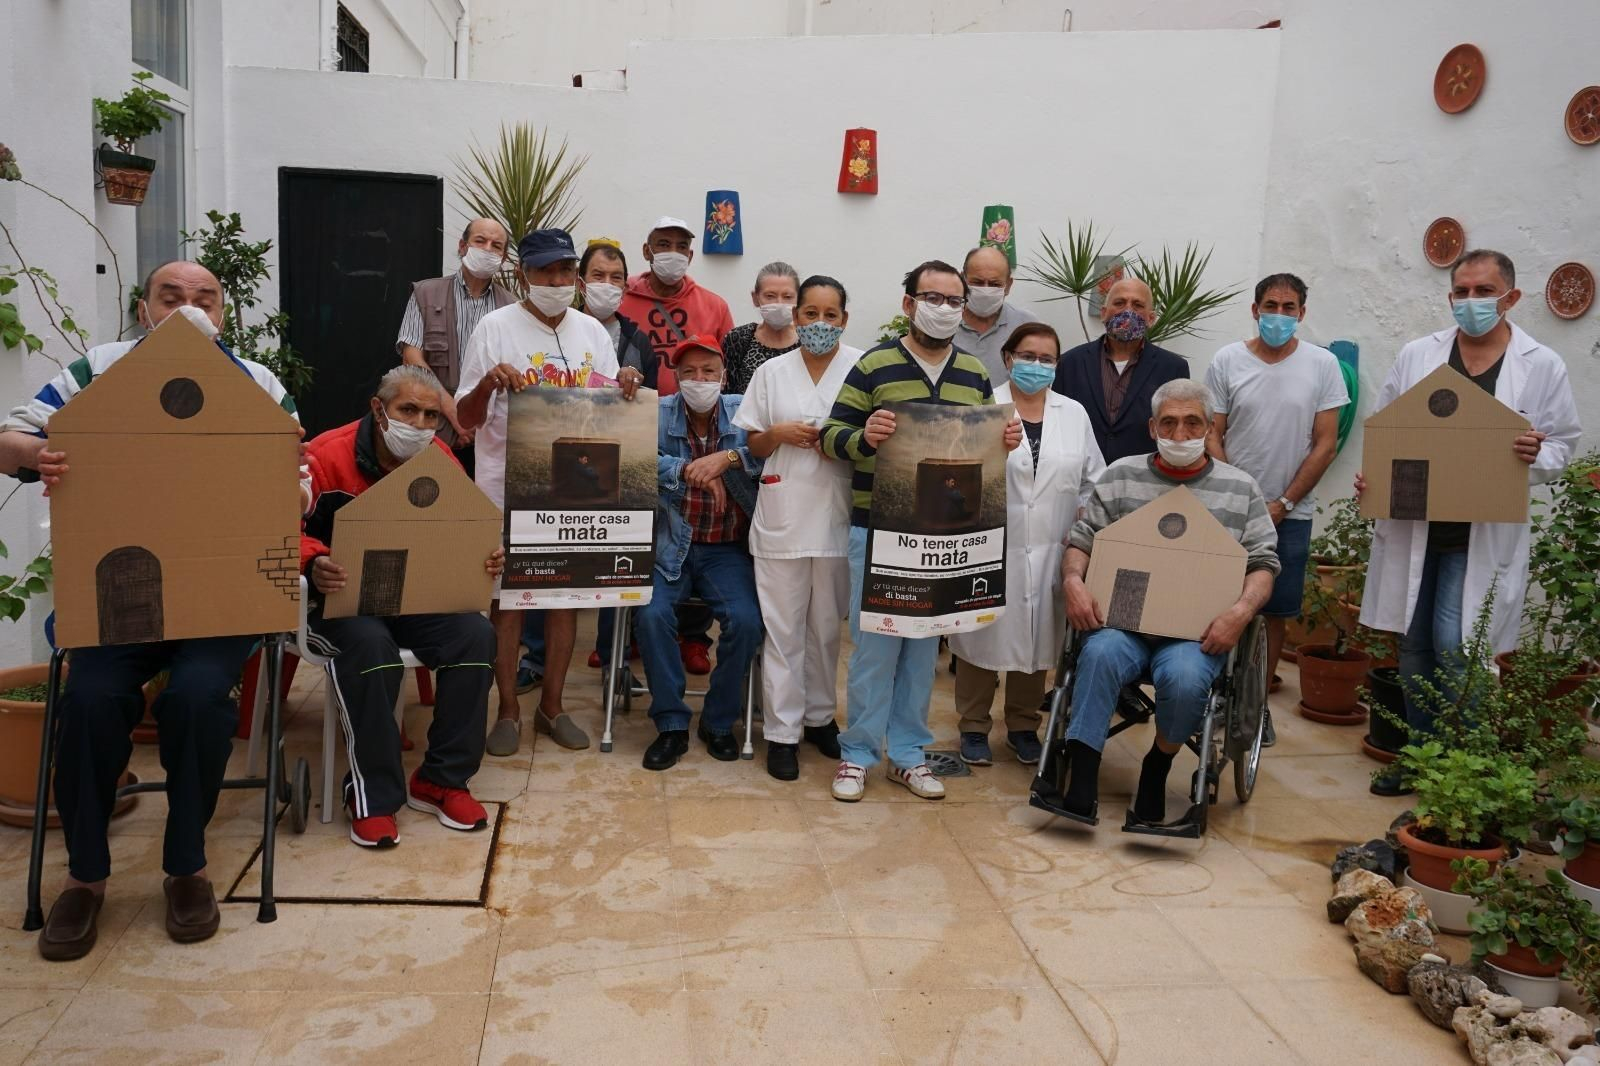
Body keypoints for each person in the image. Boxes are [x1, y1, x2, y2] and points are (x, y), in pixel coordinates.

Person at [0, 260, 301, 960]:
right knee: (91, 700)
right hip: (118, 600)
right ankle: (85, 876)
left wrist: (284, 489)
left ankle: (186, 865)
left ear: (223, 315)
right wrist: (40, 455)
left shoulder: (256, 383)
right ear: (144, 307)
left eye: (204, 299)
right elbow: (9, 437)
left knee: (199, 699)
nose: (188, 309)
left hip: (219, 598)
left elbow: (298, 483)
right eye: (172, 297)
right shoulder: (99, 369)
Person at [1362, 249, 1582, 796]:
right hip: (1417, 522)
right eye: (1461, 291)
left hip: (1479, 531)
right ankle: (1418, 754)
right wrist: (1374, 476)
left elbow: (1563, 445)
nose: (1471, 302)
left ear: (1511, 298)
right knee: (1413, 645)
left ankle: (1463, 766)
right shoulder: (1420, 355)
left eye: (1484, 292)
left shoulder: (1541, 363)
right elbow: (1386, 427)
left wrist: (1538, 454)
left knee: (1458, 643)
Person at [820, 259, 1022, 802]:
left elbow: (981, 448)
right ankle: (858, 753)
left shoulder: (975, 375)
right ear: (909, 304)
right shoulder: (874, 366)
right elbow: (831, 435)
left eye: (954, 301)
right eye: (933, 299)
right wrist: (866, 435)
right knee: (874, 646)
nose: (945, 310)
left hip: (947, 538)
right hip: (882, 528)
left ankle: (908, 754)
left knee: (923, 652)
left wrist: (1002, 443)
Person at [1056, 379, 1279, 827]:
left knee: (1184, 677)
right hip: (1126, 620)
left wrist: (1240, 613)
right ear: (1152, 426)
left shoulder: (1241, 489)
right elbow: (1082, 539)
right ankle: (1081, 778)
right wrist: (1073, 580)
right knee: (1097, 654)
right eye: (1170, 423)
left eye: (1192, 423)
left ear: (1211, 426)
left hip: (1196, 631)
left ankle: (1156, 768)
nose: (1180, 434)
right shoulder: (1121, 475)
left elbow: (1263, 563)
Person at [455, 227, 641, 759]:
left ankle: (552, 707)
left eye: (564, 271)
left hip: (575, 488)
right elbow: (464, 421)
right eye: (545, 272)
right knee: (508, 601)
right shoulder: (494, 328)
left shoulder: (593, 333)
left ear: (576, 277)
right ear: (523, 275)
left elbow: (608, 413)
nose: (556, 281)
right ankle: (508, 707)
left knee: (566, 598)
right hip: (504, 486)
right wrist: (489, 383)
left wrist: (625, 385)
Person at [300, 365, 500, 848]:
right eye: (408, 410)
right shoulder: (326, 455)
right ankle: (372, 793)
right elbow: (276, 527)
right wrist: (314, 561)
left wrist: (486, 555)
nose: (421, 424)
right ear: (378, 408)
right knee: (371, 651)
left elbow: (464, 527)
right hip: (340, 600)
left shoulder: (441, 459)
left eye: (433, 415)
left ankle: (442, 780)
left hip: (414, 595)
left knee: (476, 637)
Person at [950, 323, 1104, 768]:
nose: (1037, 366)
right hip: (990, 544)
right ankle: (973, 726)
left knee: (1039, 638)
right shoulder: (984, 407)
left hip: (1052, 546)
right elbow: (956, 475)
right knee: (980, 634)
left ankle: (1022, 725)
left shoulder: (1073, 414)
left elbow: (1096, 480)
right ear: (1008, 357)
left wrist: (1081, 518)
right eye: (1029, 356)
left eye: (1048, 358)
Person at [1205, 273, 1349, 745]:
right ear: (1254, 308)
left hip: (1292, 513)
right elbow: (1213, 434)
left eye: (1290, 308)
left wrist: (1283, 503)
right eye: (1271, 306)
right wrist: (1243, 499)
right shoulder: (1228, 359)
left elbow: (1325, 444)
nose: (1279, 316)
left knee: (1273, 612)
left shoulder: (1322, 364)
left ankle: (1255, 705)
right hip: (1228, 510)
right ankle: (1213, 696)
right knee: (1217, 604)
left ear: (1302, 314)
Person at [733, 275, 863, 781]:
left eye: (831, 315)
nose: (820, 324)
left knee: (827, 630)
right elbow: (752, 447)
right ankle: (782, 734)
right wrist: (778, 434)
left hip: (837, 516)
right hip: (783, 516)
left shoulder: (860, 368)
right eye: (810, 313)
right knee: (784, 631)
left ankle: (819, 718)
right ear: (797, 316)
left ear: (845, 320)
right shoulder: (771, 372)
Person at [636, 335, 764, 771]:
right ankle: (671, 724)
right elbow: (633, 457)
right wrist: (689, 471)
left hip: (725, 549)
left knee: (747, 622)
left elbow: (767, 455)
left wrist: (726, 460)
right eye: (688, 372)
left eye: (708, 371)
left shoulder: (745, 409)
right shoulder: (656, 412)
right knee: (651, 616)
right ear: (675, 376)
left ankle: (719, 720)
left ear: (723, 375)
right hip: (669, 544)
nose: (699, 379)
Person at [395, 218, 516, 470]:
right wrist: (454, 413)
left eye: (496, 246)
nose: (487, 249)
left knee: (484, 505)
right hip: (432, 426)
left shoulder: (512, 307)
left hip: (489, 432)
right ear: (462, 246)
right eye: (479, 241)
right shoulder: (425, 293)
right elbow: (412, 358)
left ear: (503, 258)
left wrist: (472, 417)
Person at [1052, 277, 1190, 463]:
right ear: (1104, 313)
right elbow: (1056, 422)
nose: (1128, 311)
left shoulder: (1173, 368)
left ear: (1151, 319)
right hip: (1080, 477)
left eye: (1138, 305)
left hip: (1143, 479)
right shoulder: (1070, 363)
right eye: (1119, 303)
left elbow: (1176, 429)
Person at [617, 216, 735, 397]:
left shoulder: (715, 307)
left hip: (691, 417)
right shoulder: (622, 300)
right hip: (631, 411)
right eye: (664, 244)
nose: (674, 253)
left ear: (690, 256)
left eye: (682, 247)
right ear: (647, 251)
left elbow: (727, 371)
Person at [579, 238, 657, 388]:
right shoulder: (562, 331)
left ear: (624, 290)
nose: (607, 284)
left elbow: (649, 402)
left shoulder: (639, 342)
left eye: (616, 277)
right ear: (582, 285)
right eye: (598, 275)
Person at [955, 244, 1038, 382]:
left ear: (1008, 285)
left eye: (995, 284)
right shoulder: (944, 321)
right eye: (977, 282)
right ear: (962, 280)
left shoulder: (1027, 325)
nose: (986, 291)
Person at [723, 262, 801, 394]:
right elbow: (728, 396)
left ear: (799, 300)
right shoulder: (738, 338)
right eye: (770, 296)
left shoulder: (807, 341)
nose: (779, 303)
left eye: (787, 297)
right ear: (755, 298)